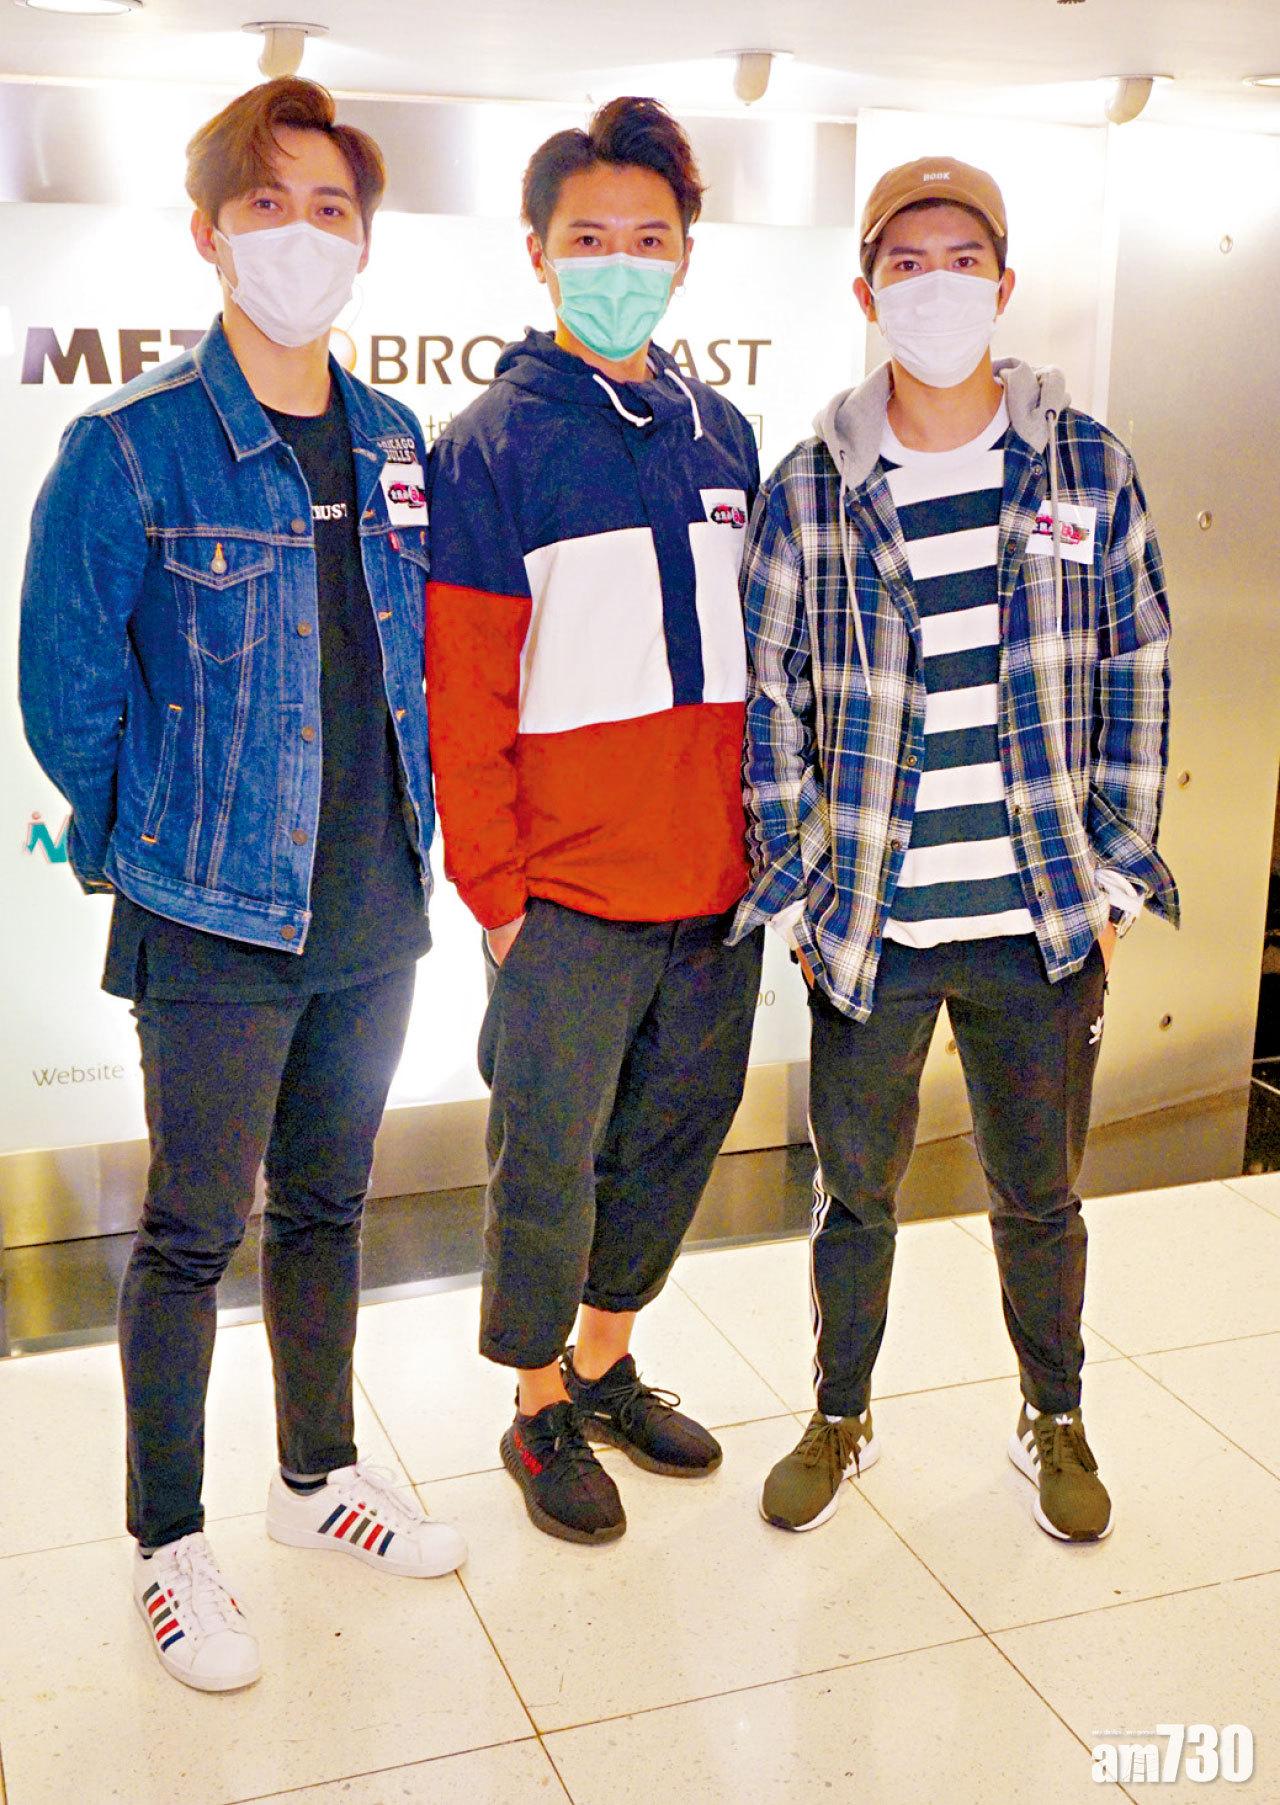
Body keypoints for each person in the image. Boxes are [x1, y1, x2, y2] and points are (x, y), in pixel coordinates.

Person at [19, 77, 465, 1694]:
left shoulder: (398, 441)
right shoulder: (130, 446)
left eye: (330, 208)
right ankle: (167, 1542)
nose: (301, 236)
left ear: (366, 242)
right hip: (208, 915)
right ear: (209, 234)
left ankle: (315, 1477)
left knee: (333, 1208)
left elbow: (413, 661)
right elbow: (65, 692)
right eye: (266, 205)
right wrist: (148, 844)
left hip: (374, 904)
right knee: (194, 1232)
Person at [732, 156, 1178, 1544]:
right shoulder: (812, 485)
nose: (936, 287)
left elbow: (1138, 664)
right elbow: (769, 700)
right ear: (867, 291)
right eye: (907, 264)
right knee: (852, 1196)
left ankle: (1055, 1412)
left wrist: (1115, 875)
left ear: (1004, 281)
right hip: (872, 923)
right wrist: (796, 890)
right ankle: (839, 1411)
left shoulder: (1085, 464)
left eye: (962, 260)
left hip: (1040, 920)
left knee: (1039, 1197)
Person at [425, 97, 764, 1546]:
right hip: (564, 895)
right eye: (589, 238)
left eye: (647, 237)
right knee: (548, 1162)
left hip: (718, 887)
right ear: (539, 252)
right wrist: (497, 895)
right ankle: (536, 1404)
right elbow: (465, 693)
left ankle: (609, 1362)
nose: (619, 261)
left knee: (674, 1137)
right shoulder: (490, 445)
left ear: (684, 254)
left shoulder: (722, 432)